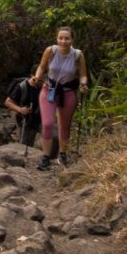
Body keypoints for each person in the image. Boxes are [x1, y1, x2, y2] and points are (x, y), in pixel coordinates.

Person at [29, 26, 89, 170]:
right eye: (61, 38)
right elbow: (42, 67)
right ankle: (45, 157)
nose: (63, 41)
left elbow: (83, 74)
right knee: (48, 124)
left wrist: (83, 84)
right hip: (49, 89)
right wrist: (37, 78)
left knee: (64, 125)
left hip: (68, 92)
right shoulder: (51, 51)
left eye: (67, 38)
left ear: (72, 40)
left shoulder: (78, 55)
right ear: (56, 39)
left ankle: (62, 154)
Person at [5, 73, 40, 147]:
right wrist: (20, 109)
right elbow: (7, 102)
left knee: (30, 145)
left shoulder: (42, 87)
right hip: (24, 119)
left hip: (37, 119)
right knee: (25, 145)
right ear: (32, 75)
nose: (41, 80)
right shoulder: (22, 86)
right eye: (39, 77)